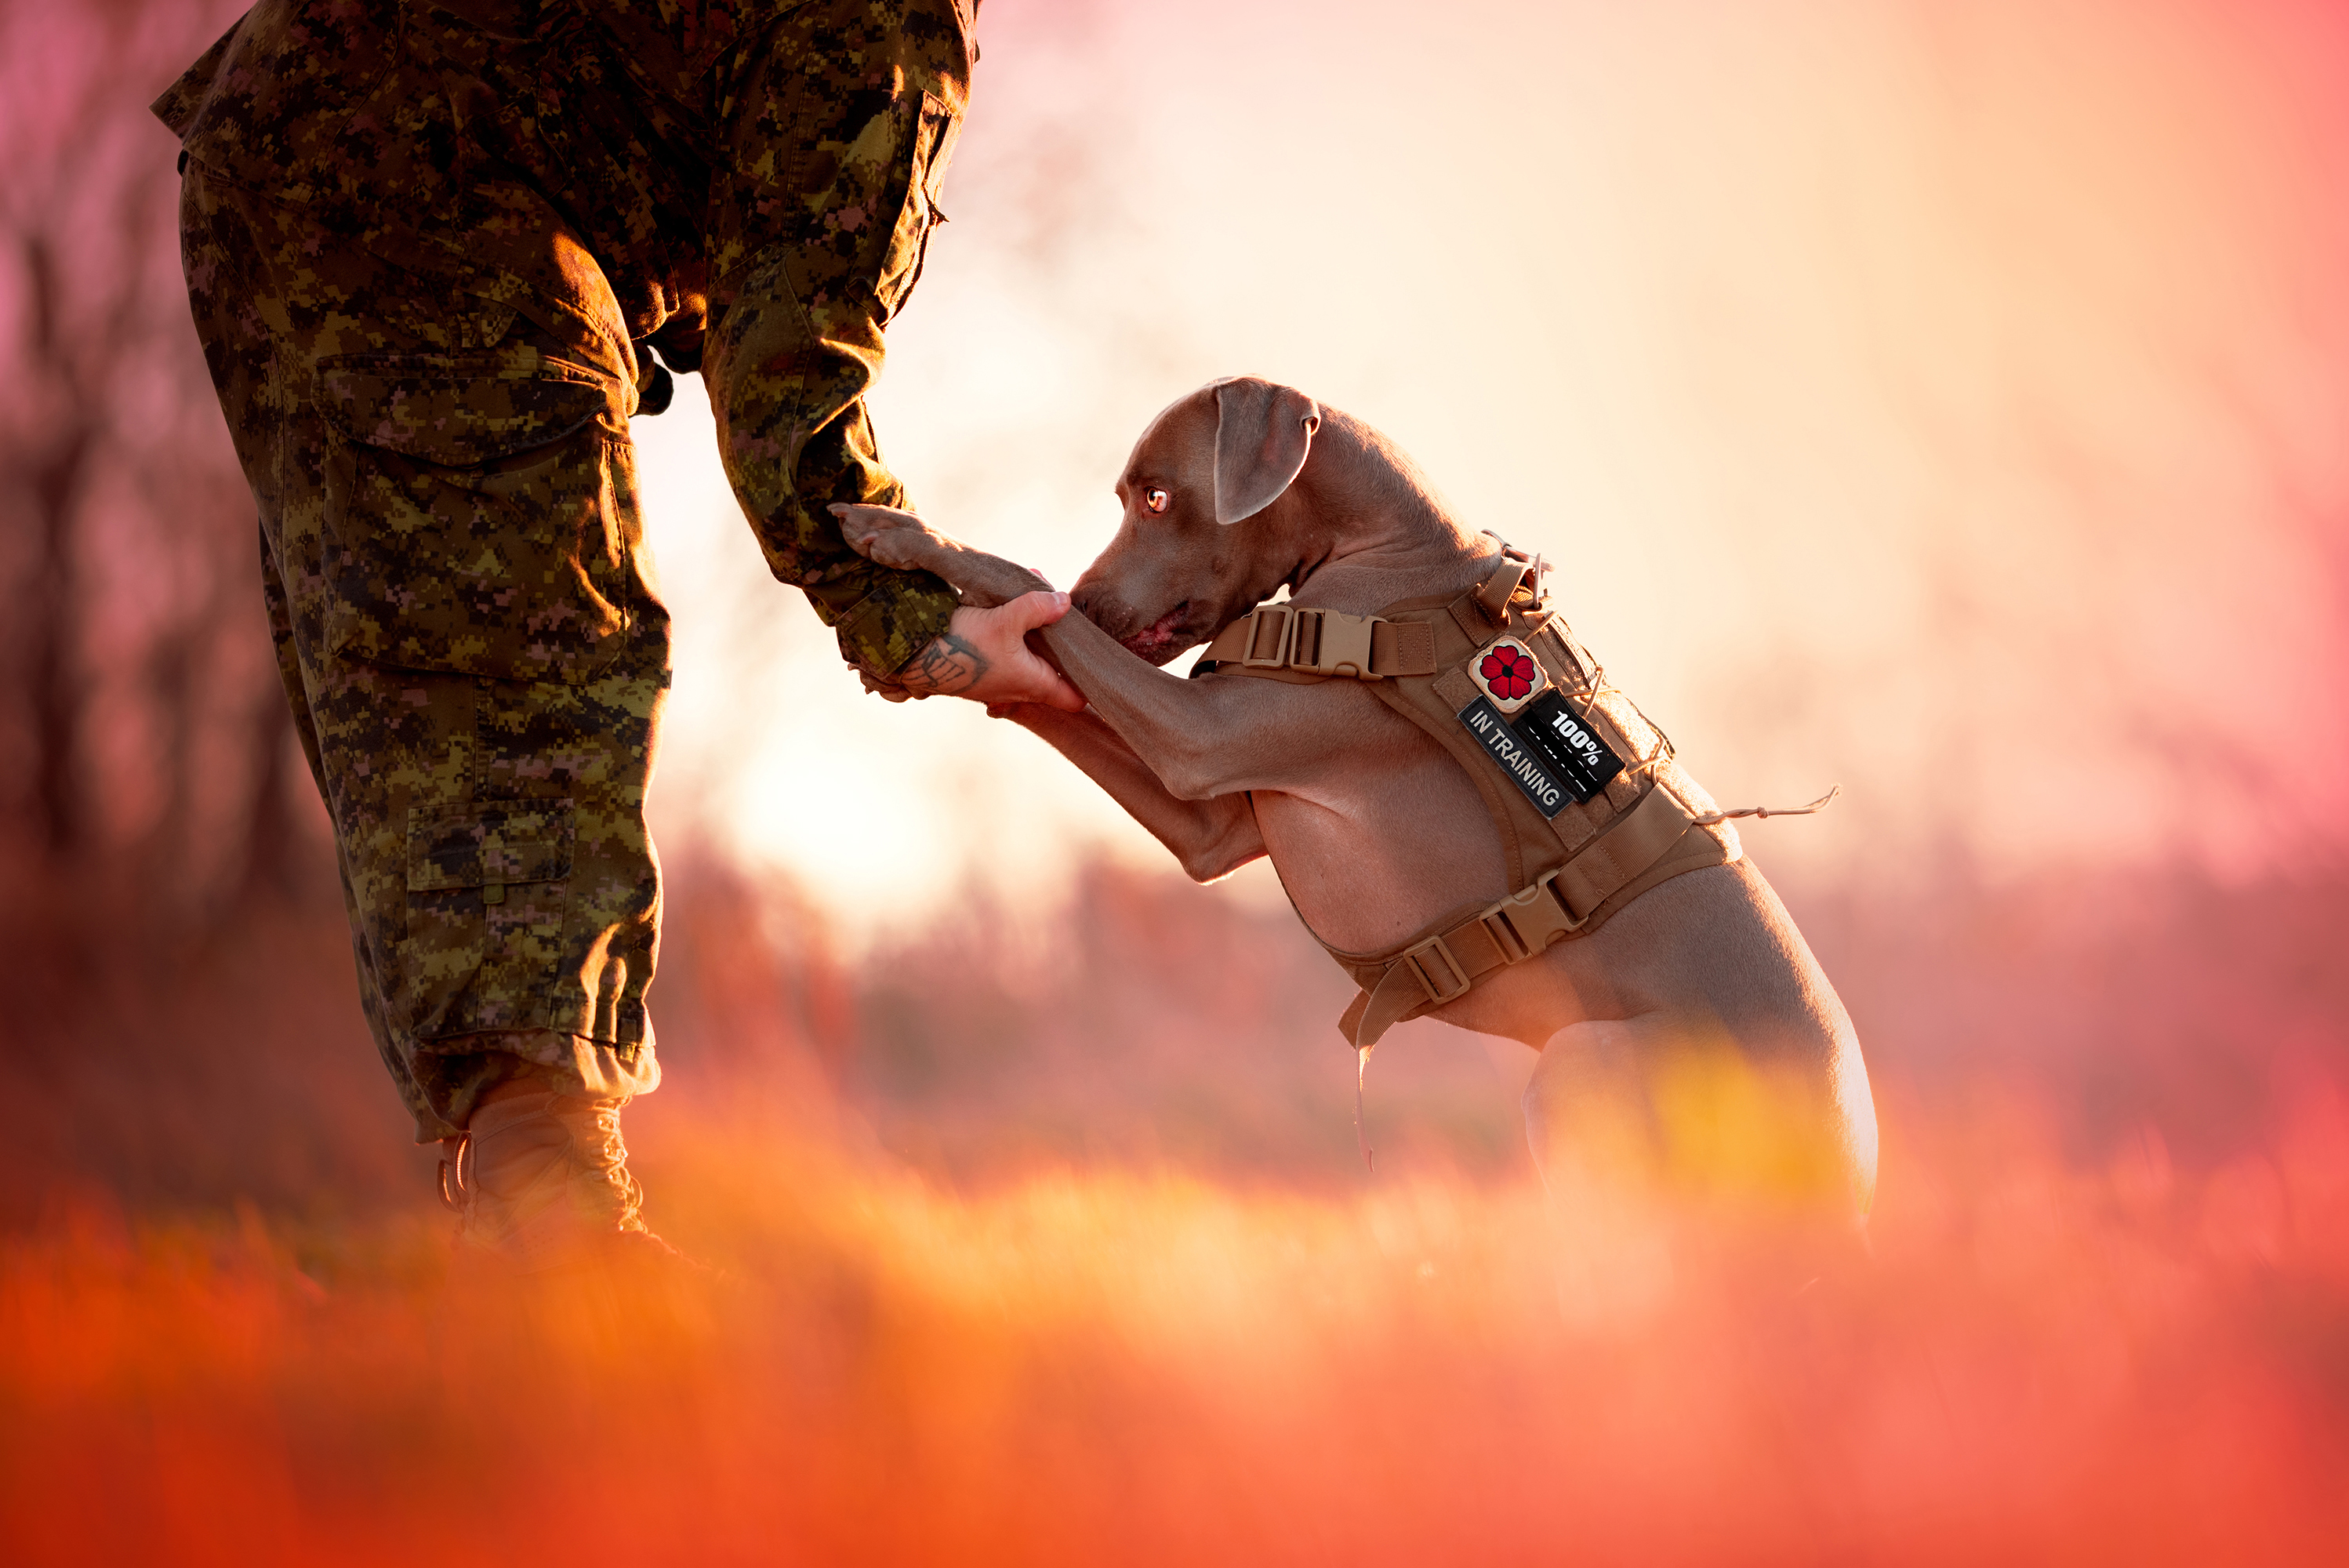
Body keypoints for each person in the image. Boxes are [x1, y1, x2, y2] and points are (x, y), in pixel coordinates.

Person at [154, 0, 1077, 1269]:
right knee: (540, 649)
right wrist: (922, 620)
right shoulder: (887, 15)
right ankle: (555, 1218)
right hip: (429, 173)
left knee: (411, 685)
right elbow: (790, 380)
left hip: (272, 143)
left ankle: (518, 1218)